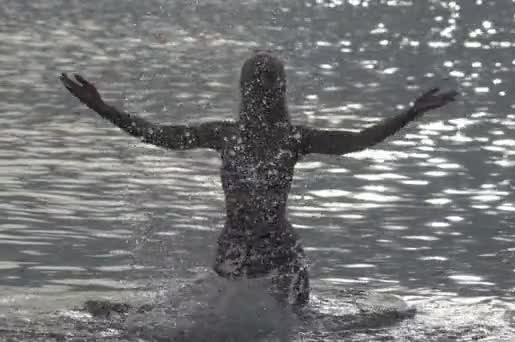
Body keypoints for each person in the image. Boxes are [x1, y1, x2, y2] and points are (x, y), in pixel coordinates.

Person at [60, 51, 457, 306]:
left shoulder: (294, 138)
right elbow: (159, 135)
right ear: (246, 87)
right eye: (257, 79)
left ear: (279, 88)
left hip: (282, 250)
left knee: (293, 327)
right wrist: (102, 108)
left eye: (270, 79)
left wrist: (409, 114)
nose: (263, 86)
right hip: (235, 247)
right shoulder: (223, 133)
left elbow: (356, 141)